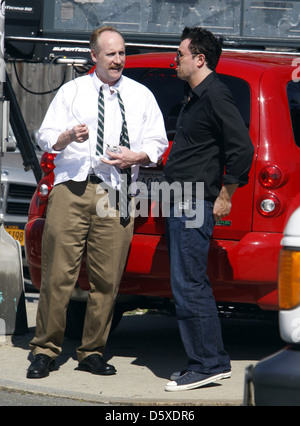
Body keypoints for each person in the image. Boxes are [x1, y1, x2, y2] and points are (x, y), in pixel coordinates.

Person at [27, 26, 168, 379]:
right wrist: (66, 136)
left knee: (107, 282)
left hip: (117, 192)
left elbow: (158, 142)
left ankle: (92, 351)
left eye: (121, 52)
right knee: (59, 275)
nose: (118, 59)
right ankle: (45, 350)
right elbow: (44, 137)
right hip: (72, 189)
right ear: (94, 56)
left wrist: (137, 156)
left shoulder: (140, 96)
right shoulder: (71, 92)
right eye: (111, 54)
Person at [163, 27, 254, 392]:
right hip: (182, 196)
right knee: (186, 281)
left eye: (181, 54)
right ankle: (212, 360)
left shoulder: (215, 94)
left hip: (193, 199)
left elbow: (242, 149)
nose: (176, 60)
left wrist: (226, 193)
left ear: (200, 58)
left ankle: (206, 365)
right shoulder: (195, 96)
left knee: (190, 283)